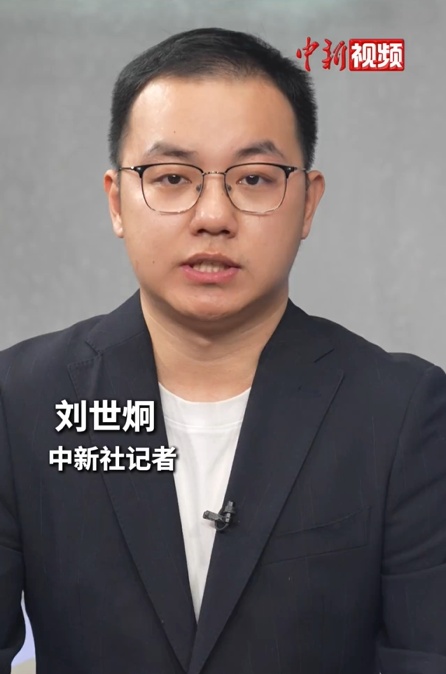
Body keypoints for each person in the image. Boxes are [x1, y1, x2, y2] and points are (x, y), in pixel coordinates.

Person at [0, 26, 445, 674]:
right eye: (172, 177)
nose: (213, 215)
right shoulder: (20, 403)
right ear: (117, 201)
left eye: (255, 178)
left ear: (307, 202)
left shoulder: (403, 413)